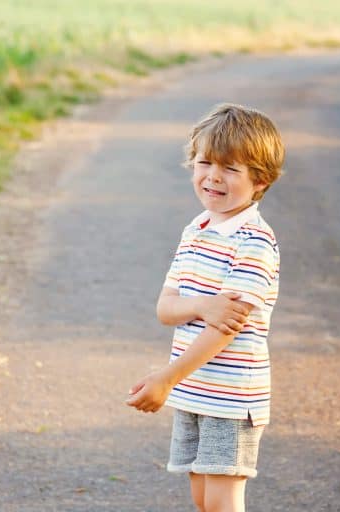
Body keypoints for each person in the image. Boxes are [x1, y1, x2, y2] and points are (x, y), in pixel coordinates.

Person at [126, 103, 284, 512]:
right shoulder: (196, 229)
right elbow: (166, 309)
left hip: (232, 395)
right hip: (194, 389)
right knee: (201, 496)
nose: (213, 176)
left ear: (260, 179)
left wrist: (166, 378)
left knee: (222, 500)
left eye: (231, 169)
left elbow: (225, 327)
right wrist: (202, 304)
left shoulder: (254, 242)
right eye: (205, 162)